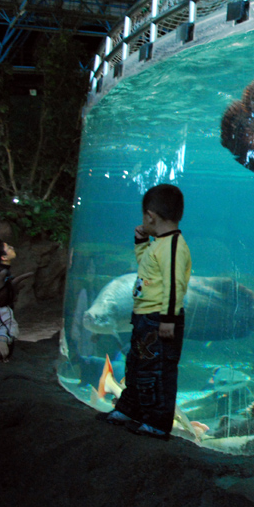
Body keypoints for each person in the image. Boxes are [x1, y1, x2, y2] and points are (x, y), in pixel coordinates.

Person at [96, 184, 191, 440]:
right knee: (138, 366)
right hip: (145, 318)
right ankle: (130, 411)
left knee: (158, 371)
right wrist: (141, 243)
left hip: (160, 319)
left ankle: (158, 423)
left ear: (150, 216)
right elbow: (146, 270)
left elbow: (175, 284)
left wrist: (168, 319)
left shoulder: (173, 246)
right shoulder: (159, 244)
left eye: (143, 217)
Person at [0, 240, 34, 362]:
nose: (12, 247)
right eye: (8, 247)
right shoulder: (1, 273)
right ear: (3, 257)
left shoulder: (4, 272)